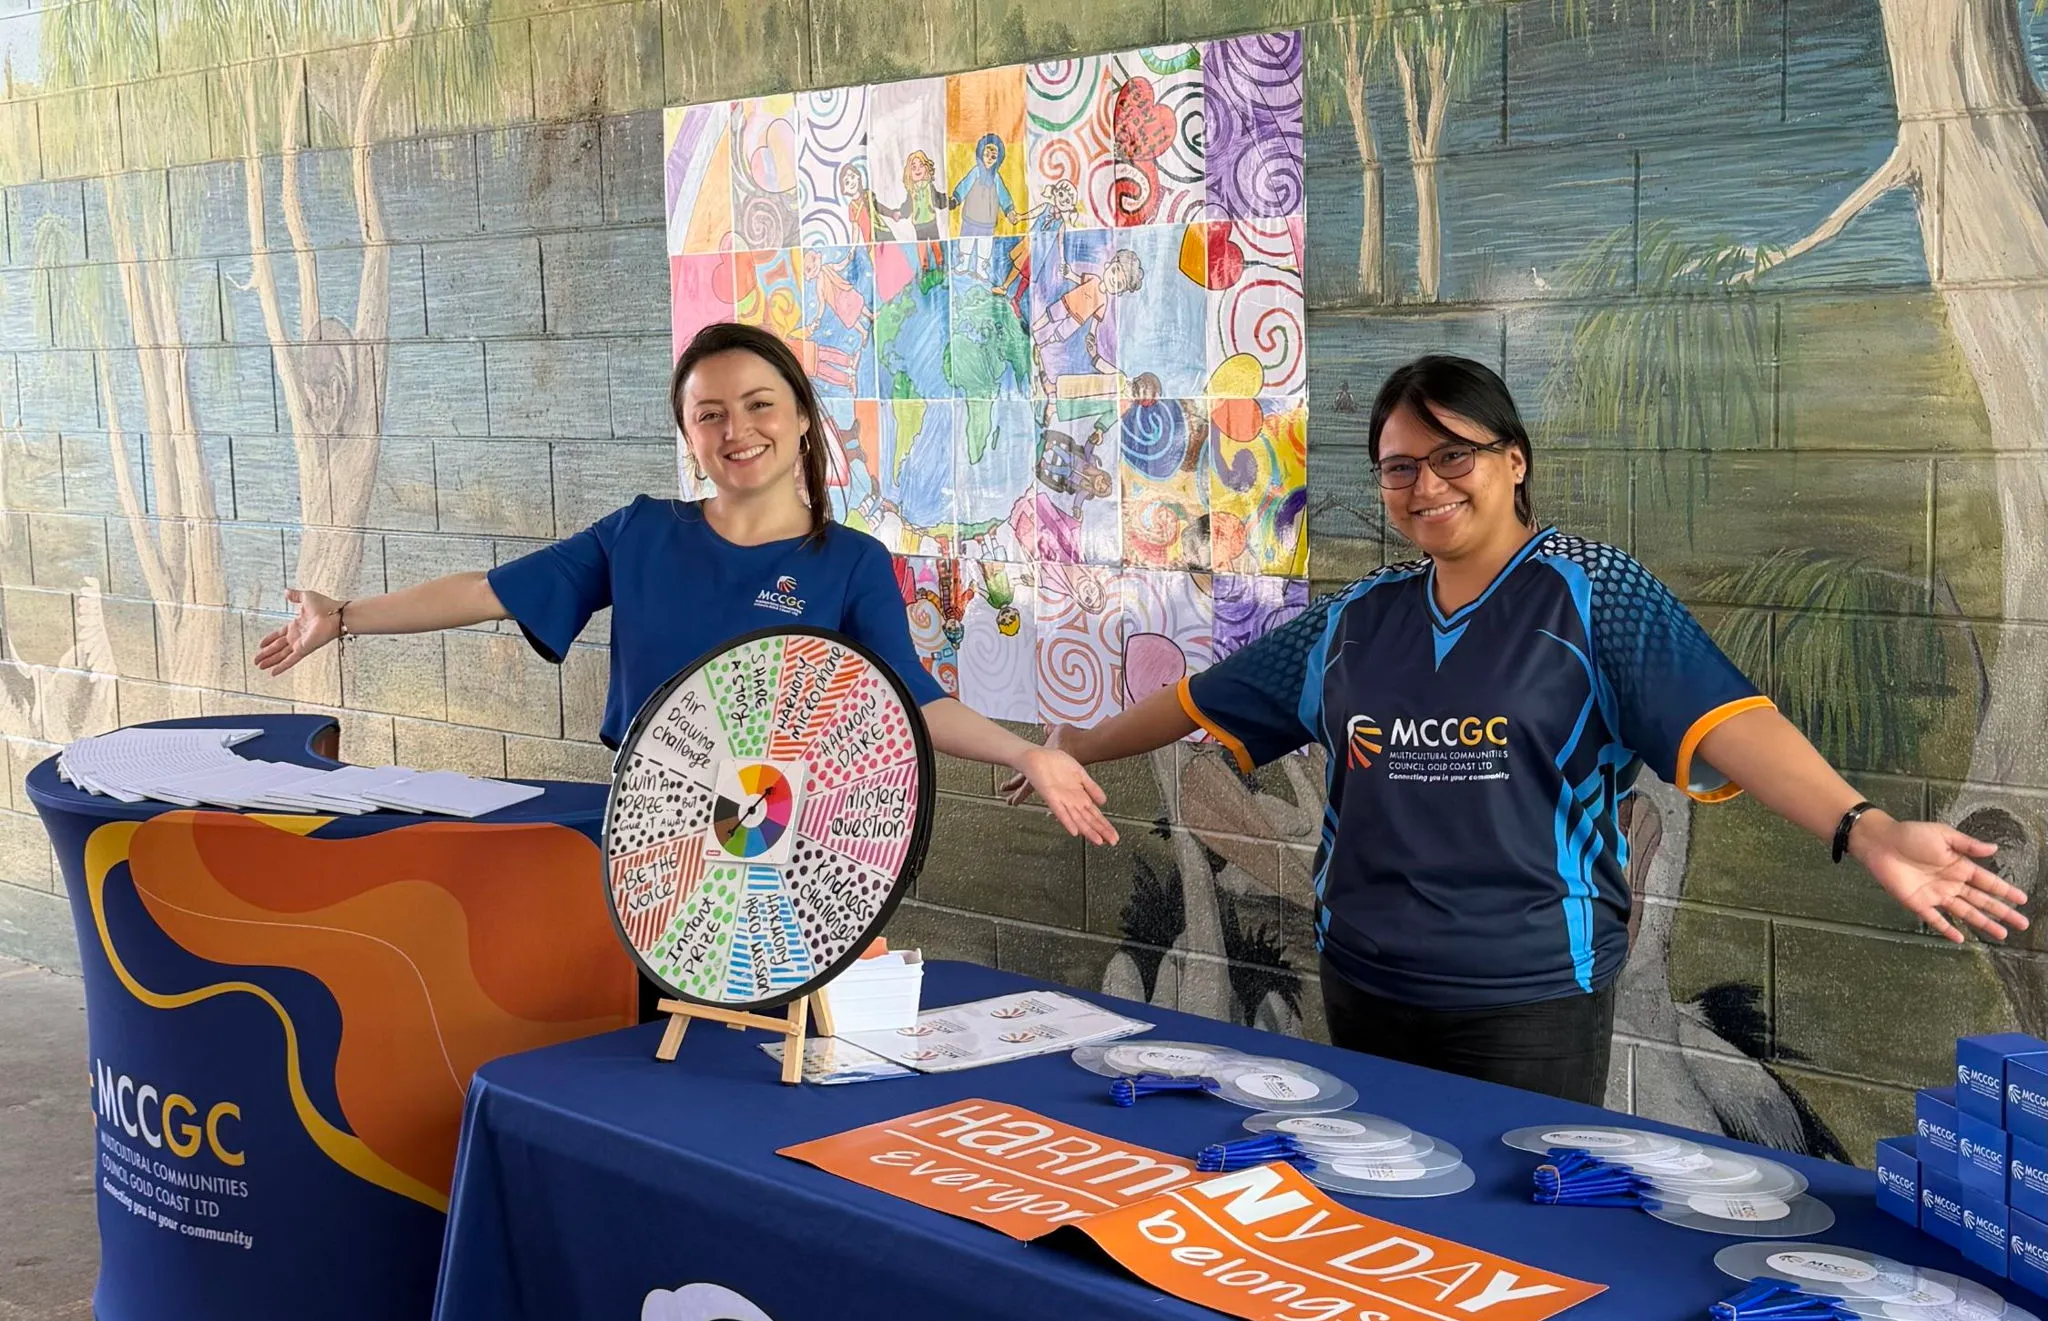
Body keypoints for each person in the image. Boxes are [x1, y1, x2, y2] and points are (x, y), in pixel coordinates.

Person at [1006, 354, 2028, 1104]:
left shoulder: (1595, 595)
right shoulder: (1353, 622)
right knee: (1381, 1229)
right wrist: (1070, 747)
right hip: (1364, 986)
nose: (1426, 485)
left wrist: (1863, 828)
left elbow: (1729, 720)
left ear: (1512, 461)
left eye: (1454, 455)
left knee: (1512, 1245)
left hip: (1530, 1000)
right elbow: (1198, 703)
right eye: (1399, 467)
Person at [254, 321, 1118, 860]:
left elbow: (915, 700)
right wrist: (344, 618)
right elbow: (487, 590)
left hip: (784, 848)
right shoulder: (639, 532)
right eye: (711, 414)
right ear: (689, 434)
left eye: (759, 405)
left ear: (804, 416)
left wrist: (1026, 753)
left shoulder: (851, 562)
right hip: (650, 839)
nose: (737, 430)